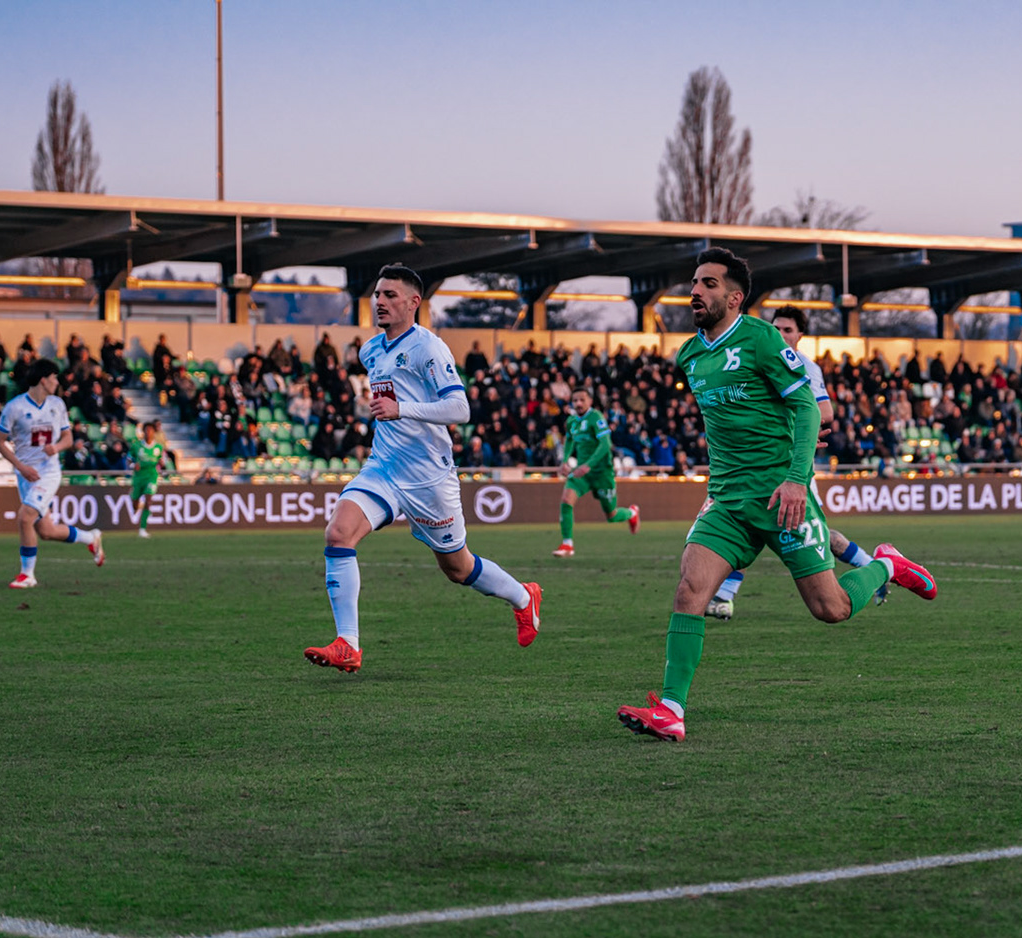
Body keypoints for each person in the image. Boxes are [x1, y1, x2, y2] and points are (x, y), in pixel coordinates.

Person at [616, 248, 936, 743]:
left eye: (707, 284)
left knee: (830, 609)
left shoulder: (762, 339)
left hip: (783, 498)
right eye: (694, 283)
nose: (695, 291)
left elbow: (806, 407)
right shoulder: (690, 354)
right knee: (690, 589)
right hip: (728, 502)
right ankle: (672, 708)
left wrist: (794, 475)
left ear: (734, 296)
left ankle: (887, 565)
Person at [305, 264, 542, 674]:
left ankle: (523, 597)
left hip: (429, 479)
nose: (380, 301)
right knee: (338, 532)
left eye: (390, 295)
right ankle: (349, 644)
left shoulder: (429, 348)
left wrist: (402, 409)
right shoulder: (371, 350)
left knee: (457, 567)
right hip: (383, 468)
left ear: (414, 302)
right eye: (377, 294)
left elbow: (460, 409)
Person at [704, 306, 885, 619]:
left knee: (819, 539)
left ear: (801, 335)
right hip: (757, 466)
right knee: (744, 522)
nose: (781, 334)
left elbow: (823, 411)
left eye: (788, 330)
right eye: (777, 328)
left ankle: (873, 566)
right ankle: (724, 595)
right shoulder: (760, 358)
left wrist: (796, 425)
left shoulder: (804, 366)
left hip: (792, 470)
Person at [0, 359, 105, 589]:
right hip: (26, 474)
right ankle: (90, 537)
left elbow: (68, 439)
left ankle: (27, 575)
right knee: (46, 531)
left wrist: (57, 447)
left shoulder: (58, 404)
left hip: (49, 472)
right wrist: (21, 467)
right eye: (54, 377)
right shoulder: (15, 407)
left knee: (25, 517)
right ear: (43, 379)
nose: (57, 381)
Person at [552, 387, 639, 557]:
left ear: (590, 401)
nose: (578, 403)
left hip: (601, 473)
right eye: (575, 400)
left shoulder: (596, 418)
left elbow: (605, 444)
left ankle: (632, 513)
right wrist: (564, 461)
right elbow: (569, 439)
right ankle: (567, 544)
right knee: (566, 500)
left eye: (582, 400)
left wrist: (588, 465)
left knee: (611, 515)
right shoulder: (572, 421)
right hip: (581, 473)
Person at [128, 420, 177, 538]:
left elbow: (163, 460)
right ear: (143, 432)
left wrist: (161, 463)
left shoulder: (158, 447)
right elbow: (129, 459)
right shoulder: (136, 446)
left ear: (154, 433)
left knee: (149, 500)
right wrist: (133, 466)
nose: (148, 432)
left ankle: (142, 529)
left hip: (152, 475)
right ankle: (135, 500)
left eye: (151, 430)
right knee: (135, 504)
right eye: (146, 430)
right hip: (139, 477)